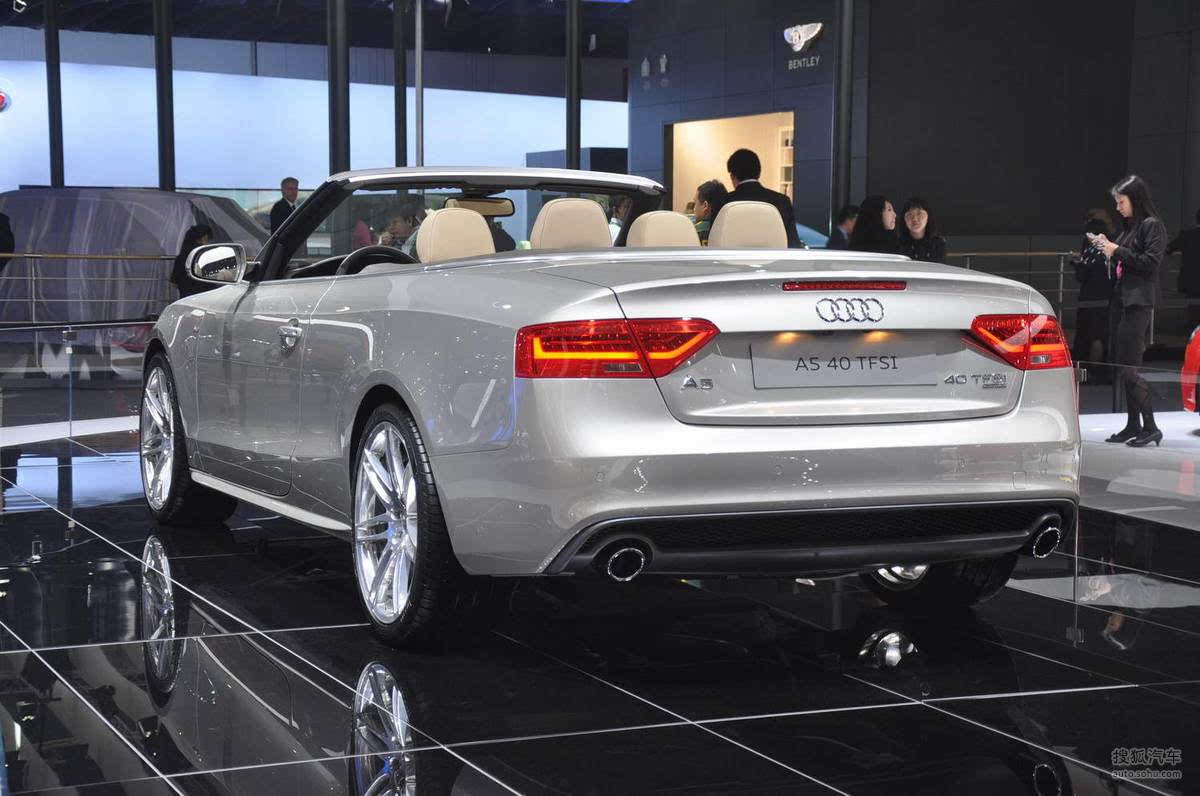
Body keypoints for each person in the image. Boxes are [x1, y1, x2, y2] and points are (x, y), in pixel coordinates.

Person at [1092, 175, 1168, 447]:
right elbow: (1125, 258)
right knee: (1122, 365)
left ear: (1135, 199)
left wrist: (1116, 250)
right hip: (1122, 301)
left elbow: (1150, 263)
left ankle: (1151, 426)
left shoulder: (1152, 225)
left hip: (1137, 303)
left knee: (1129, 367)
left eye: (1121, 202)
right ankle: (1134, 425)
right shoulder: (1131, 227)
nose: (1118, 207)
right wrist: (1107, 246)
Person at [720, 149, 802, 248]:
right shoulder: (782, 201)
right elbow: (793, 244)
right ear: (759, 173)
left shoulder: (723, 202)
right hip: (774, 257)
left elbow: (714, 243)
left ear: (732, 176)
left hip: (732, 257)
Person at [1072, 214, 1115, 370]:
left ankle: (1087, 370)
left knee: (1086, 335)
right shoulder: (1109, 247)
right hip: (1106, 298)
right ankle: (1100, 369)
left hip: (1088, 298)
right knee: (1100, 335)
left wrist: (1076, 264)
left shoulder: (1089, 250)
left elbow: (1082, 275)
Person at [1166, 208, 1200, 329]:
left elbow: (1168, 249)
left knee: (1193, 307)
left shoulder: (1186, 235)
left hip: (1190, 279)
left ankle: (1193, 329)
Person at [169, 224, 213, 299]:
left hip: (187, 298)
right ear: (204, 238)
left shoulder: (183, 255)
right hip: (206, 297)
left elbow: (174, 282)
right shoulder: (207, 255)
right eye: (209, 240)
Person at [898, 197, 946, 262]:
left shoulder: (938, 244)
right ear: (904, 220)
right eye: (909, 214)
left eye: (919, 213)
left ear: (928, 216)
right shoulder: (897, 244)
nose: (914, 219)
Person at [692, 179, 728, 245]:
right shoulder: (731, 229)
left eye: (695, 203)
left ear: (705, 206)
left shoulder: (693, 231)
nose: (694, 209)